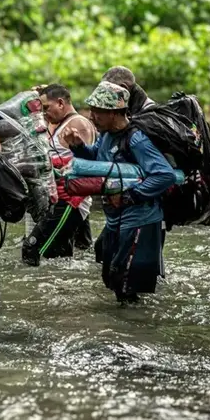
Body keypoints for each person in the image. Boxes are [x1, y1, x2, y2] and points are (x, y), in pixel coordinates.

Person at [62, 81, 174, 303]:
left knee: (125, 282)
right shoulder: (106, 135)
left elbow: (164, 175)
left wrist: (129, 196)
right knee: (111, 277)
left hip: (139, 219)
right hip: (116, 219)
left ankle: (137, 322)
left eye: (97, 111)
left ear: (113, 113)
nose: (91, 116)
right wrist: (78, 147)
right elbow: (97, 160)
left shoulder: (136, 139)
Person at [22, 84, 97, 265]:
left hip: (70, 200)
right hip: (58, 198)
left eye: (47, 107)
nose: (44, 112)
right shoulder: (57, 123)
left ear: (61, 103)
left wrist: (53, 167)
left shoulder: (78, 124)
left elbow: (88, 164)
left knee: (32, 249)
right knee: (70, 254)